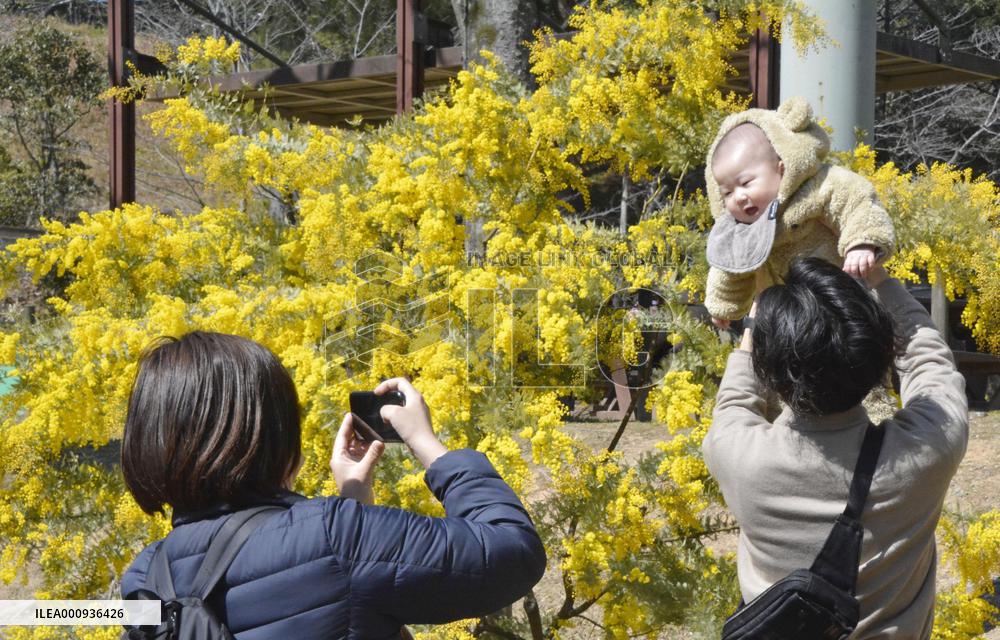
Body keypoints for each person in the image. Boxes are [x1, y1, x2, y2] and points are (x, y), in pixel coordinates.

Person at [119, 331, 546, 638]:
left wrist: (353, 502)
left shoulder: (148, 574)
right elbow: (513, 553)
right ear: (275, 437)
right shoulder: (335, 536)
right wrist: (426, 443)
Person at [703, 257, 969, 638]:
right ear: (880, 358)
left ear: (768, 370)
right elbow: (931, 363)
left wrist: (751, 332)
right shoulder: (926, 452)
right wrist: (878, 277)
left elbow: (734, 400)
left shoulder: (738, 457)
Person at [703, 96, 896, 329]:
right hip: (790, 321)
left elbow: (856, 201)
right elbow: (730, 266)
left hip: (844, 301)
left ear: (781, 169)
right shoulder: (741, 229)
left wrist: (861, 243)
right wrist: (722, 305)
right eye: (727, 193)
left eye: (746, 183)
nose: (739, 197)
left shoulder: (815, 187)